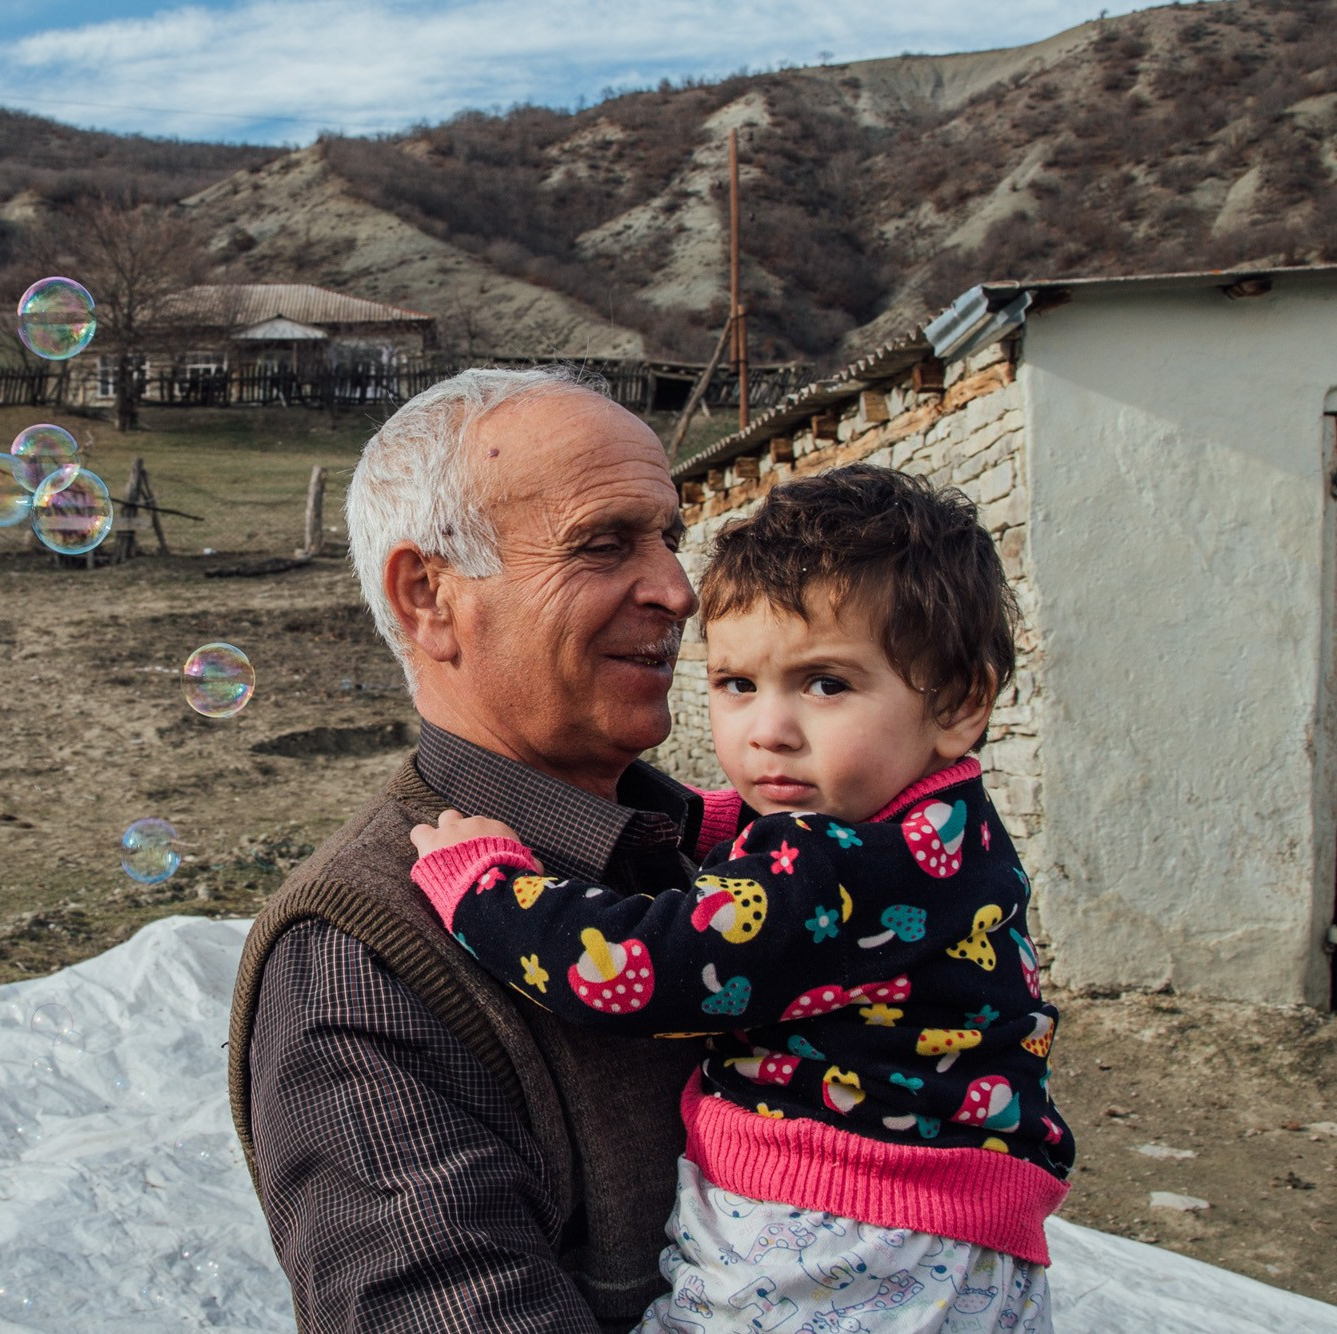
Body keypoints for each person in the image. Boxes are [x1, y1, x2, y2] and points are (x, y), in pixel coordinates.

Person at [409, 464, 1073, 1333]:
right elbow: (798, 874)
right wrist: (729, 828)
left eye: (826, 684)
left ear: (960, 703)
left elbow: (642, 971)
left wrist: (486, 887)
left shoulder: (826, 869)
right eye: (737, 685)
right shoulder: (952, 827)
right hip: (953, 1237)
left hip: (840, 1242)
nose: (768, 730)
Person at [227, 367, 711, 1331]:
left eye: (669, 539)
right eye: (603, 544)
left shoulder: (721, 855)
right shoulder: (362, 962)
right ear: (430, 598)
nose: (677, 590)